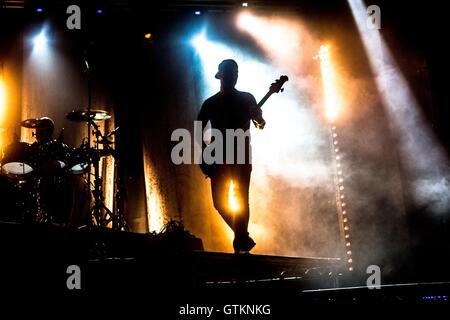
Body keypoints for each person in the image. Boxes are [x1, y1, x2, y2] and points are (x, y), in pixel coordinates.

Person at [197, 59, 265, 253]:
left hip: (241, 157)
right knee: (219, 202)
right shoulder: (211, 103)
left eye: (235, 72)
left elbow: (260, 125)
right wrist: (205, 156)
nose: (233, 76)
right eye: (229, 72)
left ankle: (241, 242)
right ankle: (242, 236)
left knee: (242, 199)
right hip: (218, 158)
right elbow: (198, 130)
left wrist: (258, 117)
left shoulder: (247, 99)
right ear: (221, 76)